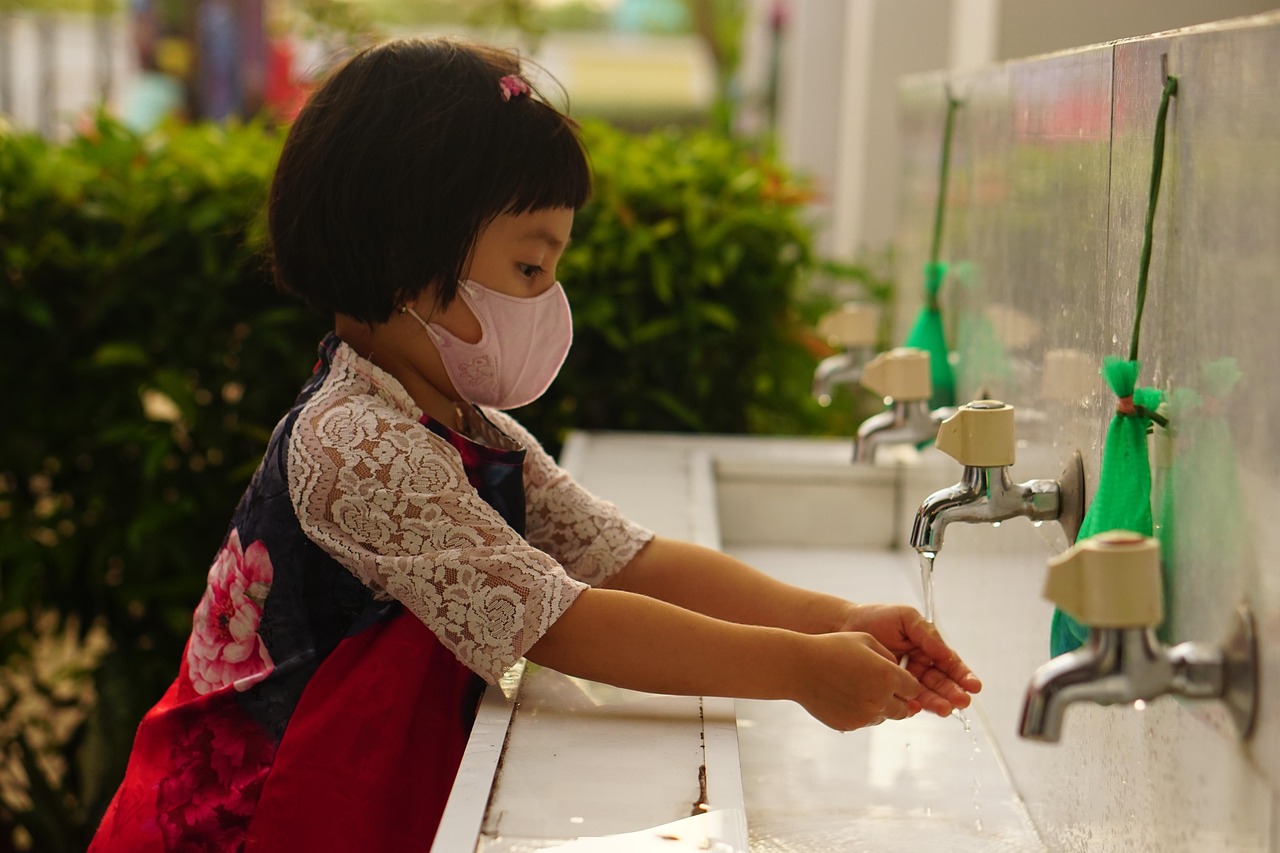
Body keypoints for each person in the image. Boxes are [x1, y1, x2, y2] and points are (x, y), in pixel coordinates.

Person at [90, 36, 981, 852]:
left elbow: (626, 560)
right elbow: (561, 621)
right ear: (404, 258)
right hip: (244, 827)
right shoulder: (358, 444)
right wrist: (796, 669)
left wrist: (834, 621)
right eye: (528, 266)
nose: (548, 300)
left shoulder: (458, 424)